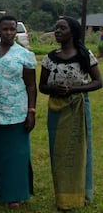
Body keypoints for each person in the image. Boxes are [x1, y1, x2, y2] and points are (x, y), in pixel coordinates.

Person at [39, 16, 102, 211]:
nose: (57, 31)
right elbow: (42, 86)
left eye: (62, 28)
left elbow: (98, 81)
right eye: (56, 27)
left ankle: (80, 194)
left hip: (78, 108)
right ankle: (62, 197)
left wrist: (74, 90)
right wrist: (54, 88)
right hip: (56, 110)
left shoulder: (84, 55)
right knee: (59, 154)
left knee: (79, 152)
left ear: (72, 32)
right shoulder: (49, 58)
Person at [0, 15, 37, 208]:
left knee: (16, 155)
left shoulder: (24, 55)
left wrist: (31, 111)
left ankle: (15, 193)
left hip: (15, 113)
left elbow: (31, 85)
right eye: (5, 29)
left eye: (12, 29)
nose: (9, 33)